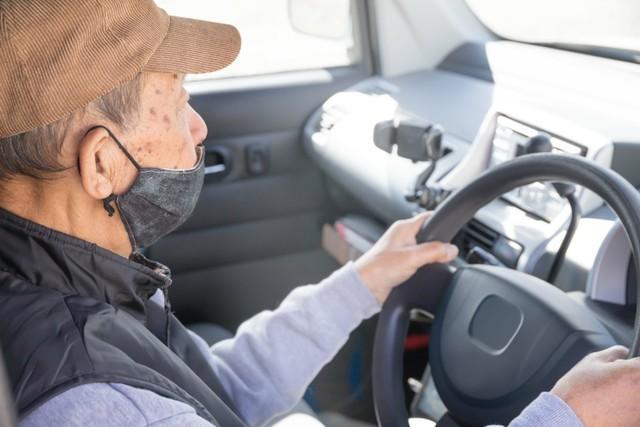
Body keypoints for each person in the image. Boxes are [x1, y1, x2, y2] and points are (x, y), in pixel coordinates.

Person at [0, 1, 639, 426]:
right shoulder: (104, 404)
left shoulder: (69, 279)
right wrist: (568, 415)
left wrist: (361, 283)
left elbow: (219, 393)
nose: (199, 128)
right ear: (101, 166)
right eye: (174, 104)